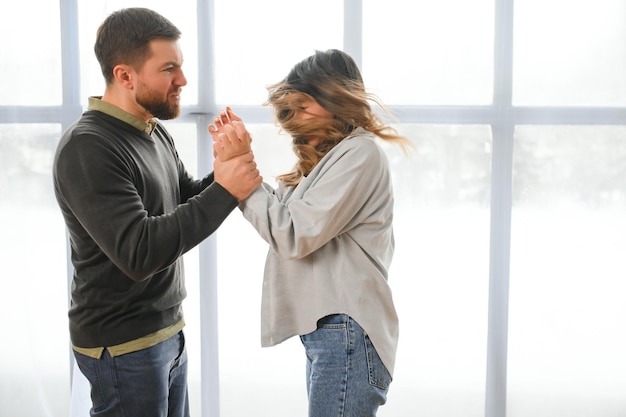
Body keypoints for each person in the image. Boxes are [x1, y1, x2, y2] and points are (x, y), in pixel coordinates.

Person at [52, 8, 261, 417]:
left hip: (167, 332)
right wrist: (225, 189)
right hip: (123, 345)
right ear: (125, 76)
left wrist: (230, 167)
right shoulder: (88, 147)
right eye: (169, 69)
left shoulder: (151, 130)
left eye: (180, 67)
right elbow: (139, 252)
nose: (182, 80)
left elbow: (184, 201)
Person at [210, 49, 412, 417]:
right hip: (334, 333)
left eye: (306, 105)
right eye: (293, 108)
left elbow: (292, 235)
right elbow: (283, 218)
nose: (297, 117)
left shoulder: (360, 154)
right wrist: (236, 164)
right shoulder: (328, 158)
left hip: (347, 331)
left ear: (337, 99)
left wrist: (240, 169)